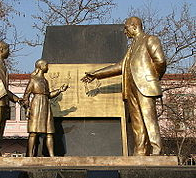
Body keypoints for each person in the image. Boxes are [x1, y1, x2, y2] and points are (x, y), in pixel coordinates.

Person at [81, 17, 166, 156]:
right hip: (131, 88)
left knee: (149, 119)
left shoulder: (150, 39)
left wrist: (152, 79)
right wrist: (96, 74)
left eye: (126, 28)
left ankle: (156, 149)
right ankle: (140, 151)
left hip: (145, 86)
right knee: (137, 122)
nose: (124, 31)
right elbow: (120, 66)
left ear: (134, 26)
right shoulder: (132, 46)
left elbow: (160, 61)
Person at [23, 59, 68, 157]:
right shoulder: (33, 80)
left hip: (46, 106)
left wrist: (60, 90)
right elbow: (26, 95)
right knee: (33, 132)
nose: (47, 67)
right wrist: (27, 108)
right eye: (46, 65)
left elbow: (49, 95)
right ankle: (30, 154)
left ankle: (51, 155)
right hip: (36, 105)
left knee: (49, 131)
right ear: (41, 66)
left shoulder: (45, 81)